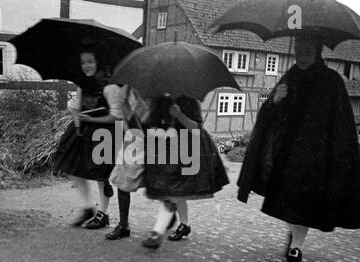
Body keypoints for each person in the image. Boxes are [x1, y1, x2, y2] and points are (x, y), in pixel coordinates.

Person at [237, 34, 360, 262]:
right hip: (286, 154)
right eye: (298, 50)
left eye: (306, 51)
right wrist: (274, 101)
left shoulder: (331, 81)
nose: (300, 55)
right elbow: (269, 115)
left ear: (317, 51)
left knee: (302, 205)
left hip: (316, 157)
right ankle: (294, 237)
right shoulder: (290, 77)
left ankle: (295, 249)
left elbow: (341, 124)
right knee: (289, 204)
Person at [141, 95, 230, 249]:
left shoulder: (189, 100)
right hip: (166, 149)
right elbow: (151, 124)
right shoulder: (159, 99)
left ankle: (157, 232)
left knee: (173, 192)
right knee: (176, 191)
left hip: (188, 150)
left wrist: (179, 115)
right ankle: (184, 224)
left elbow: (195, 128)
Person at [53, 49, 122, 229]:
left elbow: (117, 116)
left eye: (90, 61)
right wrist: (76, 116)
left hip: (104, 133)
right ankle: (87, 207)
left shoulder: (110, 87)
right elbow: (76, 107)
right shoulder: (82, 84)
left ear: (98, 62)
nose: (87, 66)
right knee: (71, 166)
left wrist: (92, 119)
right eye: (83, 62)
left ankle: (103, 213)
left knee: (101, 175)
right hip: (83, 130)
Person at [105, 86, 177, 240]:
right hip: (134, 139)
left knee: (158, 183)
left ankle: (168, 214)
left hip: (157, 141)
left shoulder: (163, 96)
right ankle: (123, 225)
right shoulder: (126, 92)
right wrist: (130, 132)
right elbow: (122, 118)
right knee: (123, 180)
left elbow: (169, 123)